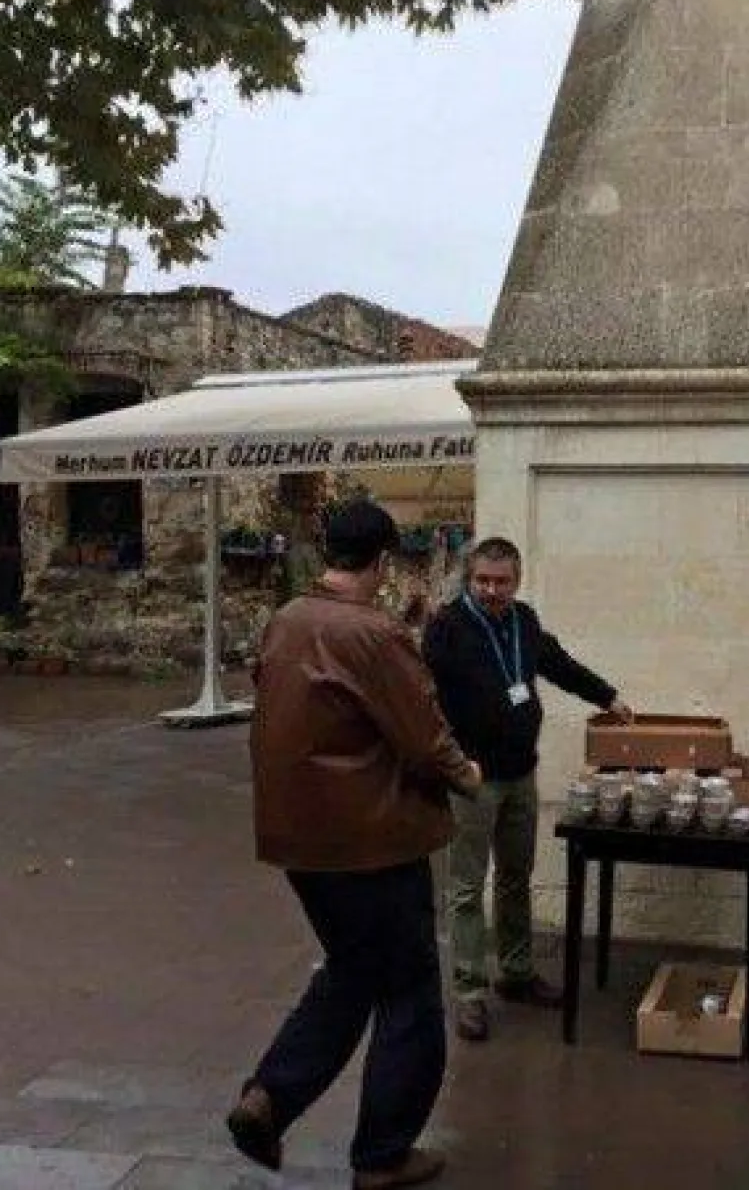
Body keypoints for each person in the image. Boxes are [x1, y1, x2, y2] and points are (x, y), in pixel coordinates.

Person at [226, 499, 483, 1190]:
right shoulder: (372, 631)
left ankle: (269, 1097)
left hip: (297, 837)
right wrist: (469, 775)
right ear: (381, 559)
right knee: (409, 992)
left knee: (352, 970)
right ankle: (383, 1153)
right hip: (371, 839)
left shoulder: (288, 619)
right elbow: (421, 733)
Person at [421, 536, 633, 1042]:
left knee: (517, 875)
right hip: (471, 780)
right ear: (470, 580)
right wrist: (450, 759)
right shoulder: (447, 628)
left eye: (503, 582)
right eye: (484, 581)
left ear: (517, 581)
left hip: (520, 774)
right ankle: (469, 992)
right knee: (467, 889)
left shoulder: (524, 622)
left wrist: (608, 697)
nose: (493, 591)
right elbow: (420, 698)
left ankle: (515, 973)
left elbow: (558, 665)